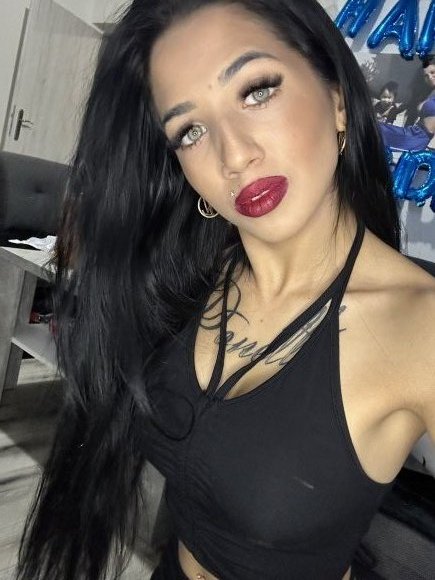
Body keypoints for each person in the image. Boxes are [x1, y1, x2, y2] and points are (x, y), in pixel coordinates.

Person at [15, 1, 435, 579]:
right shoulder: (190, 275)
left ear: (338, 100)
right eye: (189, 131)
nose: (234, 155)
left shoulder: (419, 326)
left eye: (257, 91)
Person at [379, 56, 435, 151]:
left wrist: (431, 148)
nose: (430, 77)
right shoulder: (428, 93)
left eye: (433, 72)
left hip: (417, 140)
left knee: (375, 128)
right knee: (374, 126)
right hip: (413, 134)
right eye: (426, 75)